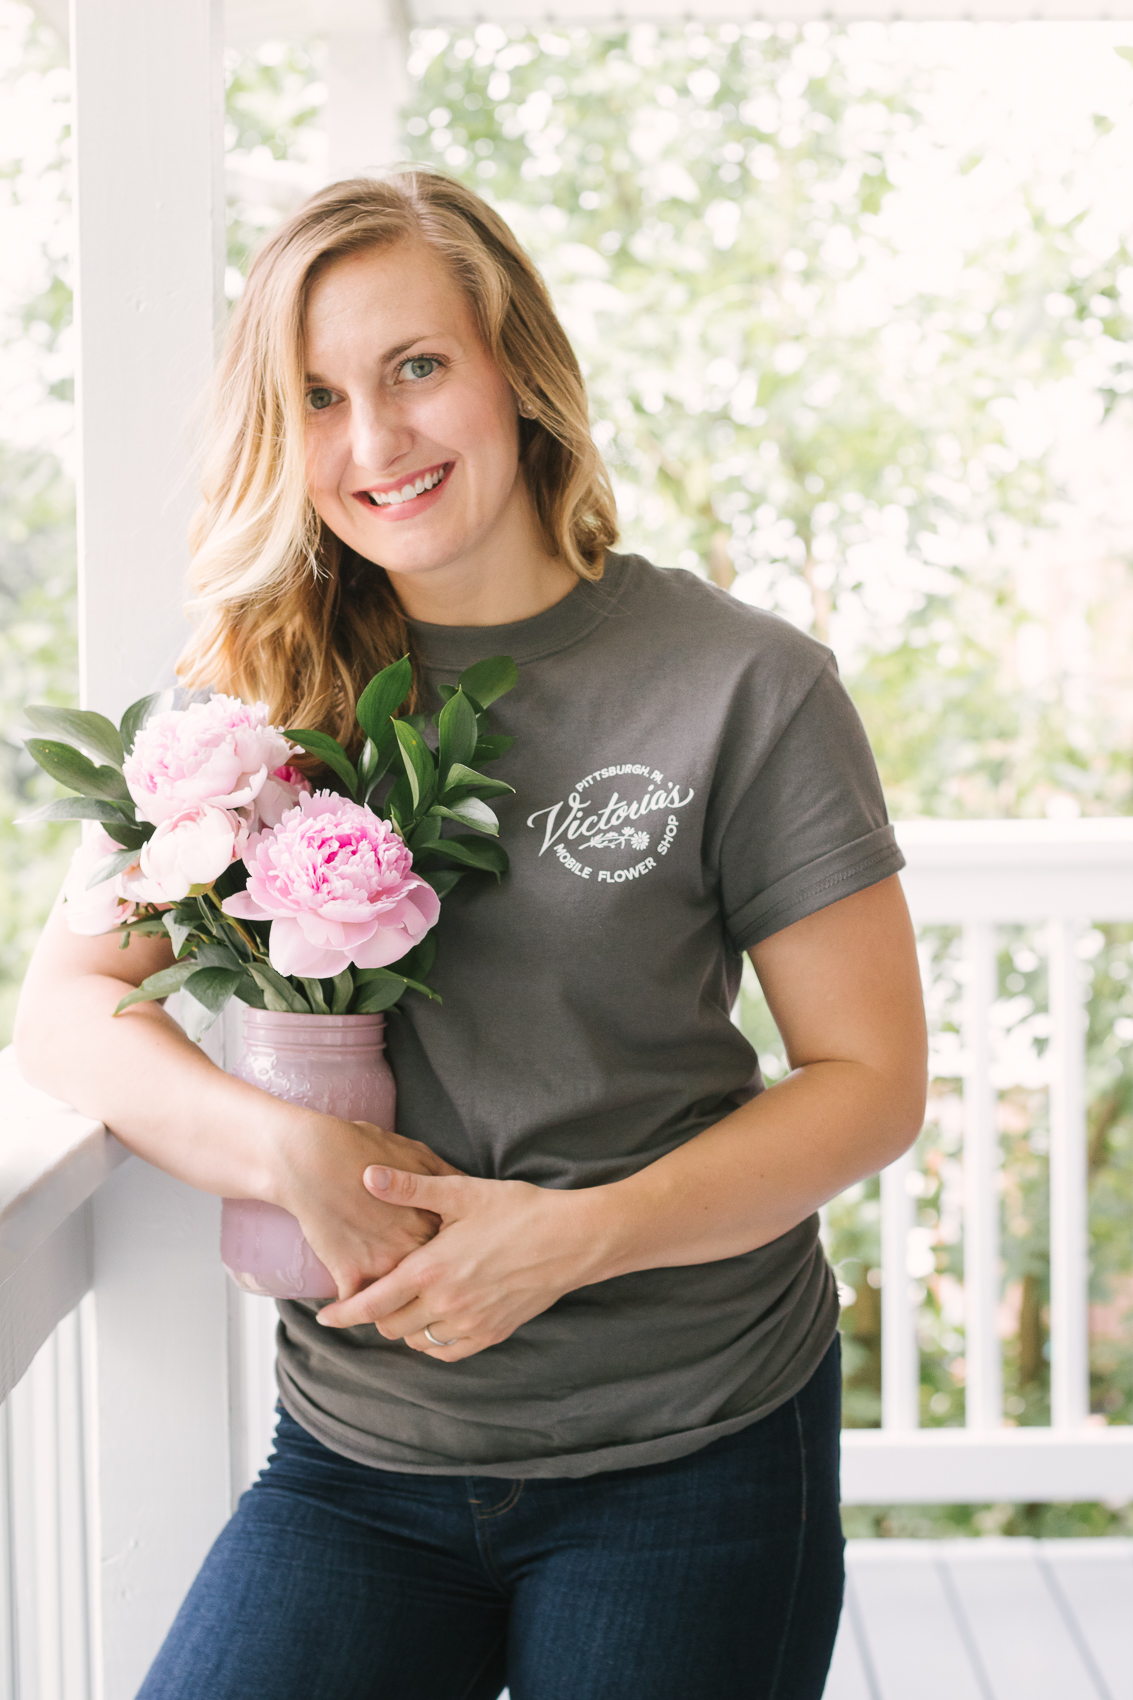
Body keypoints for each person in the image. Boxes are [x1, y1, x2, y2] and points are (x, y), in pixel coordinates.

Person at [15, 169, 927, 1700]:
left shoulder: (740, 682)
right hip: (362, 1456)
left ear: (518, 372)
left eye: (415, 368)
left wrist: (574, 1242)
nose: (373, 443)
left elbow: (866, 1079)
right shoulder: (251, 695)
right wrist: (282, 1152)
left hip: (690, 1454)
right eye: (315, 397)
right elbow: (59, 1007)